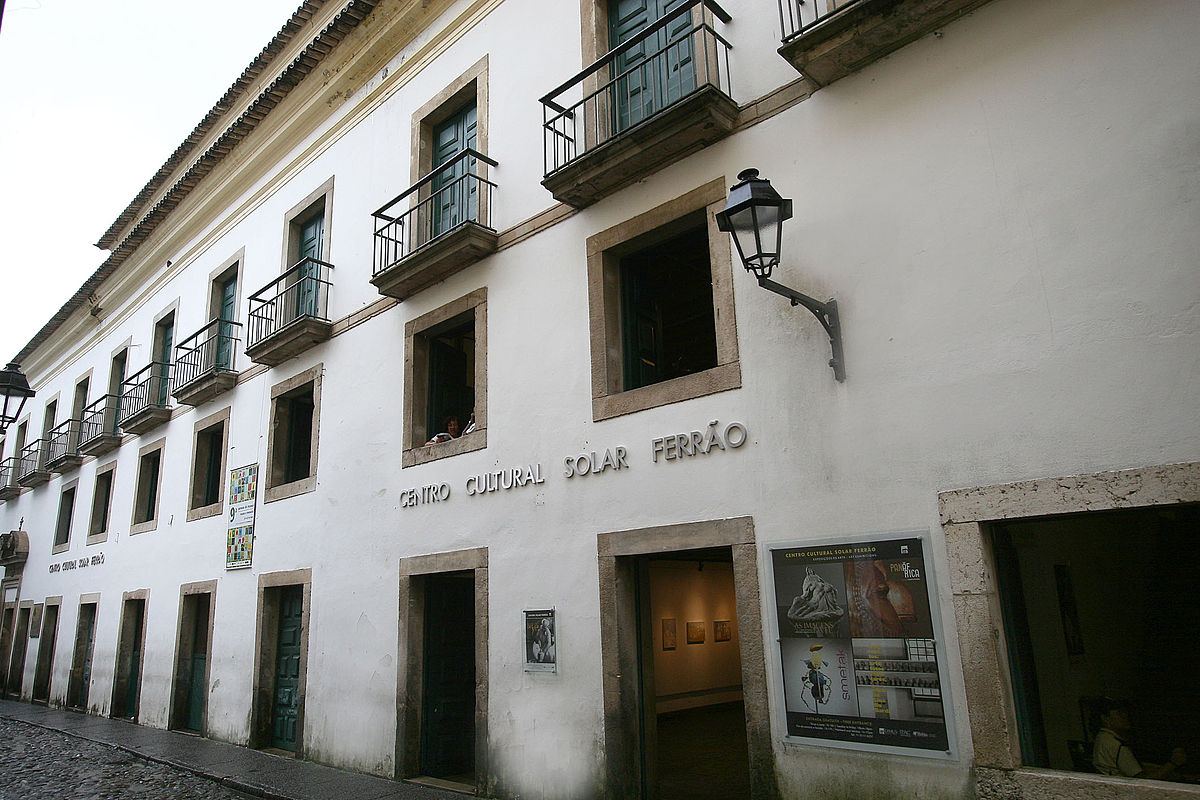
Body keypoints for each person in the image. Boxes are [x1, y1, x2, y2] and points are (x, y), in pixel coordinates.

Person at [1092, 697, 1187, 780]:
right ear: (1105, 719)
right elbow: (1143, 781)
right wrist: (1173, 763)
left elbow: (1137, 768)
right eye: (1120, 713)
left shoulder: (1102, 737)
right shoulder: (1115, 744)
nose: (1126, 716)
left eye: (1125, 713)